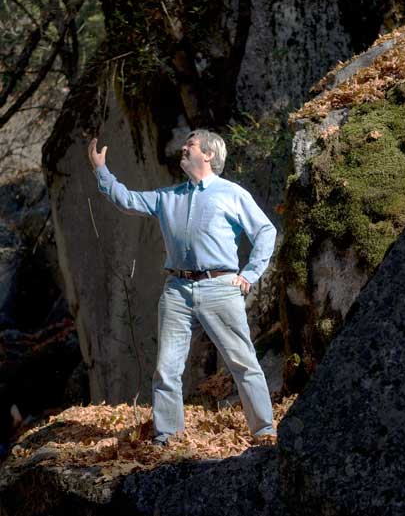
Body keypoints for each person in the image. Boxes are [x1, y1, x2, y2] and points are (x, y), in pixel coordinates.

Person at [88, 129, 277, 445]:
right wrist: (100, 170)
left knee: (244, 363)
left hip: (221, 287)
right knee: (166, 370)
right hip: (176, 289)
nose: (183, 148)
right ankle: (168, 439)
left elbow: (265, 231)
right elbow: (128, 200)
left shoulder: (232, 193)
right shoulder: (167, 196)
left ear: (209, 154)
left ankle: (264, 431)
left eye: (190, 144)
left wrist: (250, 274)